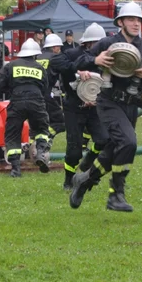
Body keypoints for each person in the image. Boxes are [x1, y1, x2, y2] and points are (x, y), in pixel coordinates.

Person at [69, 2, 142, 212]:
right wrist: (96, 59)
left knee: (115, 149)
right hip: (109, 101)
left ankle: (84, 181)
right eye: (131, 19)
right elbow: (78, 62)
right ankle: (116, 194)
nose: (136, 23)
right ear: (120, 22)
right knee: (129, 142)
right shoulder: (106, 42)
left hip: (131, 104)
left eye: (138, 20)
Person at [51, 23, 110, 190]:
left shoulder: (106, 57)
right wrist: (77, 70)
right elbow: (56, 62)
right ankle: (69, 180)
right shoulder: (73, 53)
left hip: (95, 108)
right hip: (74, 107)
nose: (99, 48)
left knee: (104, 140)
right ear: (87, 43)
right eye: (96, 44)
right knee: (74, 148)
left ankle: (89, 161)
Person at [0, 38, 52, 178]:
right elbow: (45, 88)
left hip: (17, 101)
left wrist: (11, 90)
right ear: (35, 55)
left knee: (13, 134)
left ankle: (16, 169)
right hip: (36, 101)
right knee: (41, 130)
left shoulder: (10, 65)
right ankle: (41, 153)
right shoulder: (39, 67)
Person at [38, 33, 67, 136]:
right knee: (60, 122)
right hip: (45, 95)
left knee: (39, 123)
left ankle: (34, 142)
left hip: (33, 95)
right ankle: (45, 137)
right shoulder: (55, 58)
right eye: (59, 47)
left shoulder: (38, 56)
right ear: (54, 47)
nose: (59, 50)